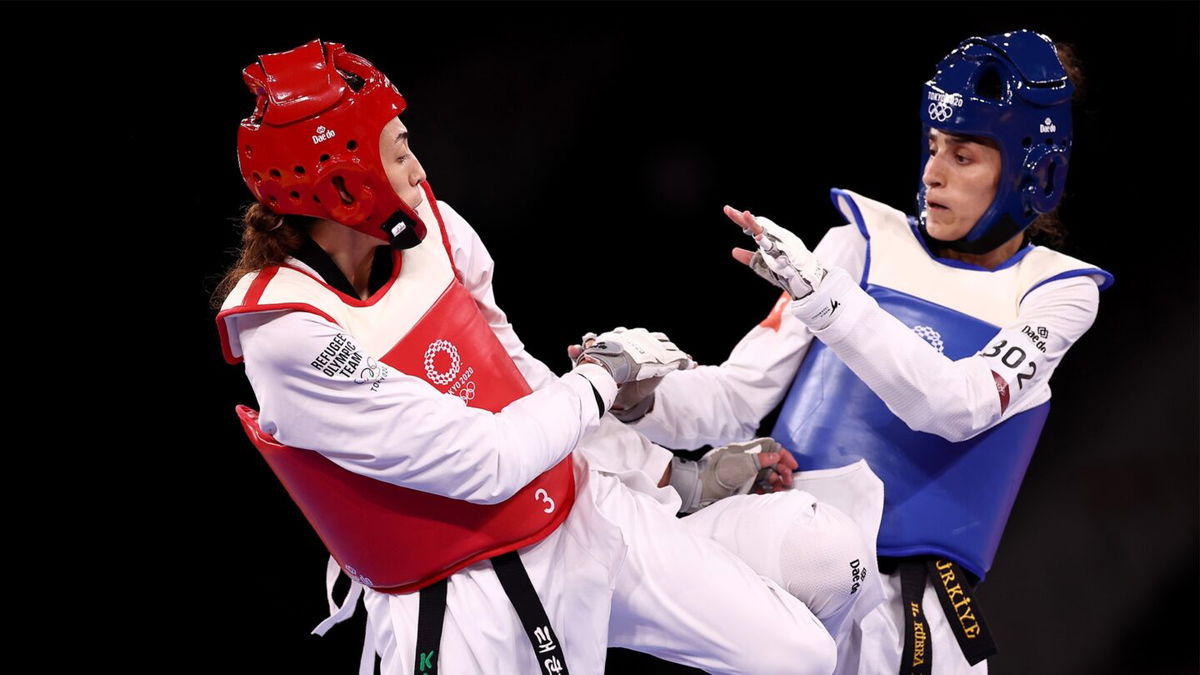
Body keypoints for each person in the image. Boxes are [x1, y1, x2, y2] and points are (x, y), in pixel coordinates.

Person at [213, 39, 883, 675]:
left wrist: (668, 475)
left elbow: (516, 377)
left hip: (580, 513)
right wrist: (600, 376)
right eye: (397, 154)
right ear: (342, 185)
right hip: (459, 596)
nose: (418, 169)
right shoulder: (288, 335)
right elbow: (486, 459)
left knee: (800, 651)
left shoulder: (438, 229)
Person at [602, 30, 1112, 674]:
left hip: (920, 618)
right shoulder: (857, 248)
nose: (932, 172)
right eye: (933, 147)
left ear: (1030, 174)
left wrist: (829, 300)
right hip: (783, 566)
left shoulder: (1055, 295)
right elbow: (734, 399)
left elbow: (958, 406)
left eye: (964, 156)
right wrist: (642, 399)